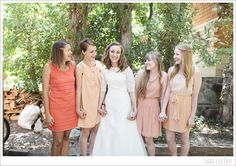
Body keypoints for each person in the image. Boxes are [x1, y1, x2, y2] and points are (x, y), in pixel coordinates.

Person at [92, 42, 147, 156]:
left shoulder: (126, 70)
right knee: (109, 130)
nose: (115, 54)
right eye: (112, 51)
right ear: (108, 52)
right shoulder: (104, 70)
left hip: (124, 103)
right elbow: (103, 89)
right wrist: (99, 105)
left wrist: (134, 109)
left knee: (123, 130)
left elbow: (132, 90)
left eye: (118, 52)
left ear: (121, 54)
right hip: (110, 102)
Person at [159, 43, 202, 156]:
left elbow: (195, 96)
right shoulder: (171, 70)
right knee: (169, 139)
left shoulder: (195, 72)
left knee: (184, 139)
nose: (174, 56)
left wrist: (192, 116)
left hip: (185, 107)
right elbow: (168, 91)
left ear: (185, 55)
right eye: (174, 54)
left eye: (177, 54)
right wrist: (163, 110)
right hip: (171, 107)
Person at [42, 40, 78, 156]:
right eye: (68, 50)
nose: (70, 52)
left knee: (67, 138)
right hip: (56, 109)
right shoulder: (48, 67)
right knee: (57, 141)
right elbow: (45, 92)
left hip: (70, 108)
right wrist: (47, 113)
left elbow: (78, 87)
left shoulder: (72, 65)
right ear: (59, 52)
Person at [136, 51, 167, 156]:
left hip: (152, 108)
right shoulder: (141, 74)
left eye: (149, 60)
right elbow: (135, 94)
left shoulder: (163, 76)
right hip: (139, 106)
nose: (146, 62)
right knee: (136, 136)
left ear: (157, 62)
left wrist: (162, 111)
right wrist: (133, 110)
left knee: (149, 139)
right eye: (146, 60)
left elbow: (163, 97)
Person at [76, 38, 102, 156]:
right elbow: (78, 89)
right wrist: (79, 108)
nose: (94, 54)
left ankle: (92, 155)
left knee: (96, 130)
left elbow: (103, 86)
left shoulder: (99, 64)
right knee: (85, 131)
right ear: (83, 52)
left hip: (97, 102)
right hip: (86, 103)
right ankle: (84, 156)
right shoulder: (80, 67)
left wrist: (102, 103)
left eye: (95, 51)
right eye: (91, 52)